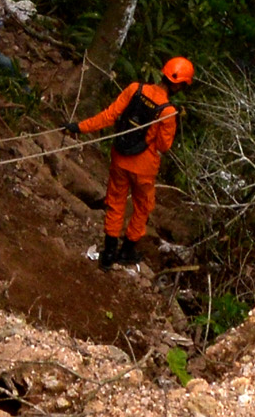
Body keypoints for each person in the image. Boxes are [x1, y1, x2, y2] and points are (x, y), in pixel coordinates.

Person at [75, 55, 193, 269]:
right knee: (142, 207)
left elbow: (109, 116)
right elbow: (163, 146)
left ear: (163, 73)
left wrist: (79, 127)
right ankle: (127, 251)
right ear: (181, 85)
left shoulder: (134, 89)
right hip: (143, 168)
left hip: (120, 158)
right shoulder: (167, 112)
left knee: (115, 202)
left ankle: (109, 254)